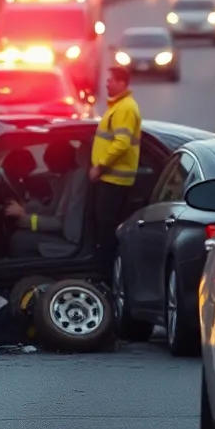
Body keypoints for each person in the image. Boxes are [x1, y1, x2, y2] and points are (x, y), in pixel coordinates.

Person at [89, 65, 141, 275]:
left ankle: (107, 273)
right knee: (104, 227)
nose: (106, 83)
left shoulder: (125, 109)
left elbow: (122, 143)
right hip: (111, 179)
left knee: (107, 231)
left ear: (122, 83)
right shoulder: (118, 107)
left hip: (114, 180)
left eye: (110, 80)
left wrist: (100, 166)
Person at [4, 141, 89, 258]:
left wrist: (24, 218)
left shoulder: (75, 179)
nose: (49, 168)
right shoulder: (67, 178)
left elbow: (59, 222)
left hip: (66, 239)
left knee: (18, 240)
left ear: (61, 160)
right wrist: (25, 208)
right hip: (63, 231)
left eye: (50, 164)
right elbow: (53, 210)